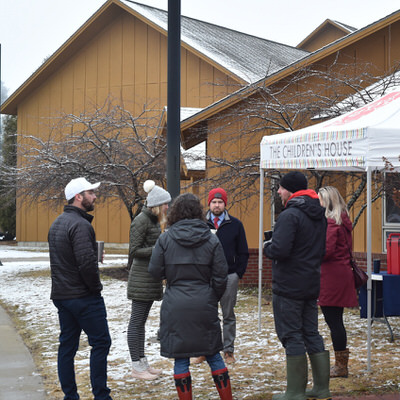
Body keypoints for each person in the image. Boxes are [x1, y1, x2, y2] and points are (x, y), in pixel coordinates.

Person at [148, 193, 232, 400]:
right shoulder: (211, 239)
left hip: (175, 302)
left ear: (175, 212)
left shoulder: (165, 239)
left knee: (180, 357)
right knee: (212, 353)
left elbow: (154, 271)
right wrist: (211, 297)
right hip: (204, 301)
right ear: (198, 212)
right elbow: (221, 276)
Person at [263, 171, 331, 400]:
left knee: (291, 334)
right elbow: (321, 251)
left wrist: (267, 247)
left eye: (281, 188)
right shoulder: (318, 215)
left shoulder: (290, 215)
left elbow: (280, 250)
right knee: (311, 332)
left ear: (290, 190)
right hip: (310, 283)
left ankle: (295, 392)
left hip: (289, 285)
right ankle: (322, 389)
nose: (279, 192)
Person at [48, 177, 113, 400]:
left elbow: (67, 260)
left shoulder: (57, 223)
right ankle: (101, 396)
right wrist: (95, 290)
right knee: (101, 342)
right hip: (83, 297)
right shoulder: (81, 225)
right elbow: (86, 265)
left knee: (67, 346)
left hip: (63, 296)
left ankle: (70, 396)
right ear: (78, 197)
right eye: (91, 193)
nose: (95, 196)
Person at [193, 188, 249, 365]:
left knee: (228, 314)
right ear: (209, 204)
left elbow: (243, 252)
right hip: (205, 277)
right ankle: (204, 351)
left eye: (220, 202)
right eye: (214, 202)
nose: (217, 205)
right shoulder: (200, 224)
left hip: (229, 276)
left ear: (225, 204)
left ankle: (228, 351)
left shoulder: (235, 224)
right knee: (205, 315)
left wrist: (238, 273)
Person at [126, 179, 171, 380]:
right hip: (140, 280)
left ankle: (143, 363)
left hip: (148, 279)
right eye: (165, 204)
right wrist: (158, 249)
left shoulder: (152, 220)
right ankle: (137, 367)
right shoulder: (141, 221)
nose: (167, 207)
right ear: (156, 205)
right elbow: (134, 251)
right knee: (136, 323)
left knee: (141, 323)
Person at [317, 186, 359, 378]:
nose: (317, 203)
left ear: (328, 202)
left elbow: (325, 252)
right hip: (340, 274)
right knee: (336, 321)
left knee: (333, 321)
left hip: (331, 277)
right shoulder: (343, 221)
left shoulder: (331, 224)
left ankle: (341, 367)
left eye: (320, 199)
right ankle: (341, 364)